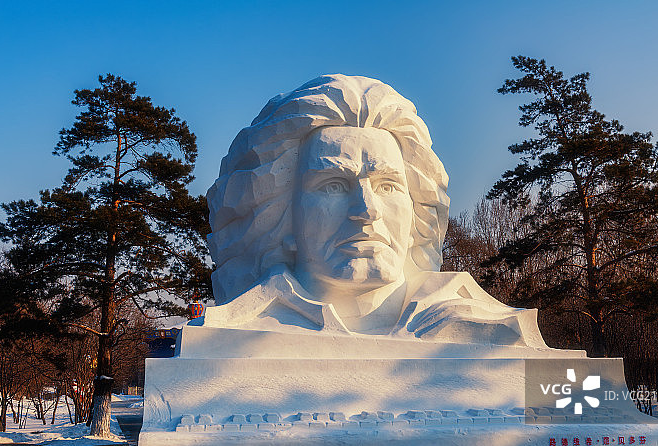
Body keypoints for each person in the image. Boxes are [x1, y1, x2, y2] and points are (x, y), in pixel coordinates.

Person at [204, 74, 548, 348]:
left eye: (387, 187)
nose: (366, 211)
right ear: (279, 213)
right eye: (333, 186)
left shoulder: (487, 326)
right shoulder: (228, 338)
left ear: (416, 208)